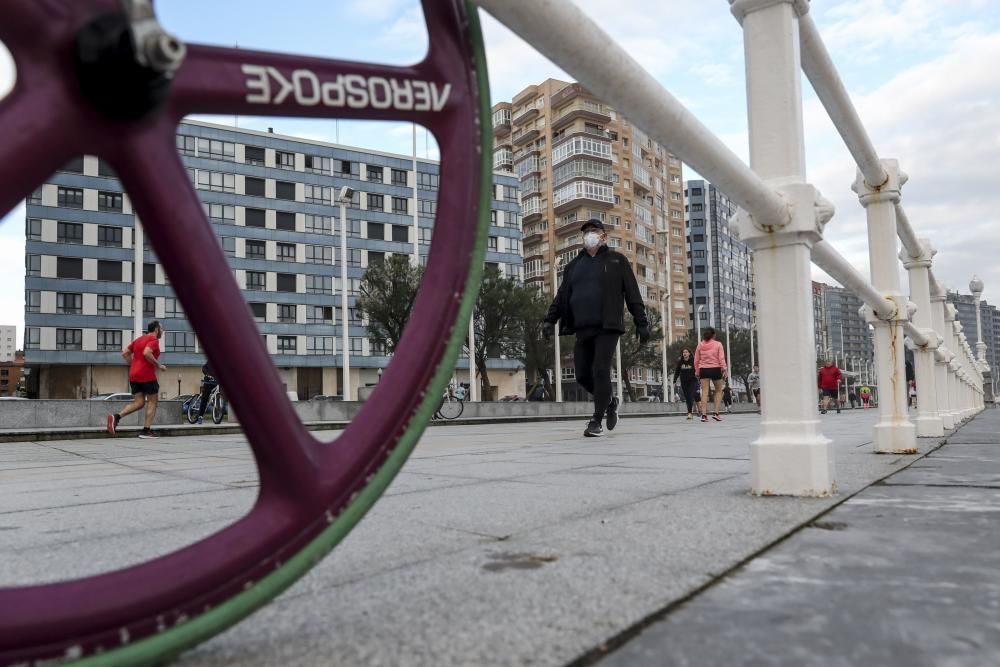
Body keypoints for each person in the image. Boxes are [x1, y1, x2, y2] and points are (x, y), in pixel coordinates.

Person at [543, 218, 649, 437]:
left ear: (603, 236)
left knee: (600, 370)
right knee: (582, 375)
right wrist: (549, 320)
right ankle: (609, 401)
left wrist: (642, 322)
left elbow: (632, 293)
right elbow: (562, 296)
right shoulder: (573, 266)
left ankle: (596, 420)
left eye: (594, 231)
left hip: (608, 326)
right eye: (586, 232)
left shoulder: (616, 261)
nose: (589, 235)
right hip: (582, 327)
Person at [107, 321, 166, 438]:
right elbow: (147, 352)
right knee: (152, 402)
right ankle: (146, 431)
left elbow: (124, 353)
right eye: (162, 329)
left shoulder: (138, 340)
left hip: (134, 375)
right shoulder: (154, 341)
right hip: (147, 375)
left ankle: (116, 417)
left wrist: (133, 365)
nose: (162, 331)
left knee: (139, 403)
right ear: (156, 329)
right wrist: (158, 365)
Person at [694, 327, 727, 422]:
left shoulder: (700, 345)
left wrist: (697, 371)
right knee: (718, 391)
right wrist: (724, 369)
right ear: (713, 335)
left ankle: (704, 415)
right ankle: (716, 413)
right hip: (715, 369)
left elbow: (696, 359)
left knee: (704, 392)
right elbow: (721, 358)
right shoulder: (718, 344)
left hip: (704, 369)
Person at [673, 348, 698, 420]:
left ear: (689, 353)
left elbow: (697, 369)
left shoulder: (693, 361)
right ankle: (690, 410)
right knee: (687, 397)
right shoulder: (680, 362)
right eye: (684, 352)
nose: (685, 353)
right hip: (684, 382)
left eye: (686, 352)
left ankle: (689, 413)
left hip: (692, 381)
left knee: (690, 395)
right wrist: (674, 380)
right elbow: (677, 371)